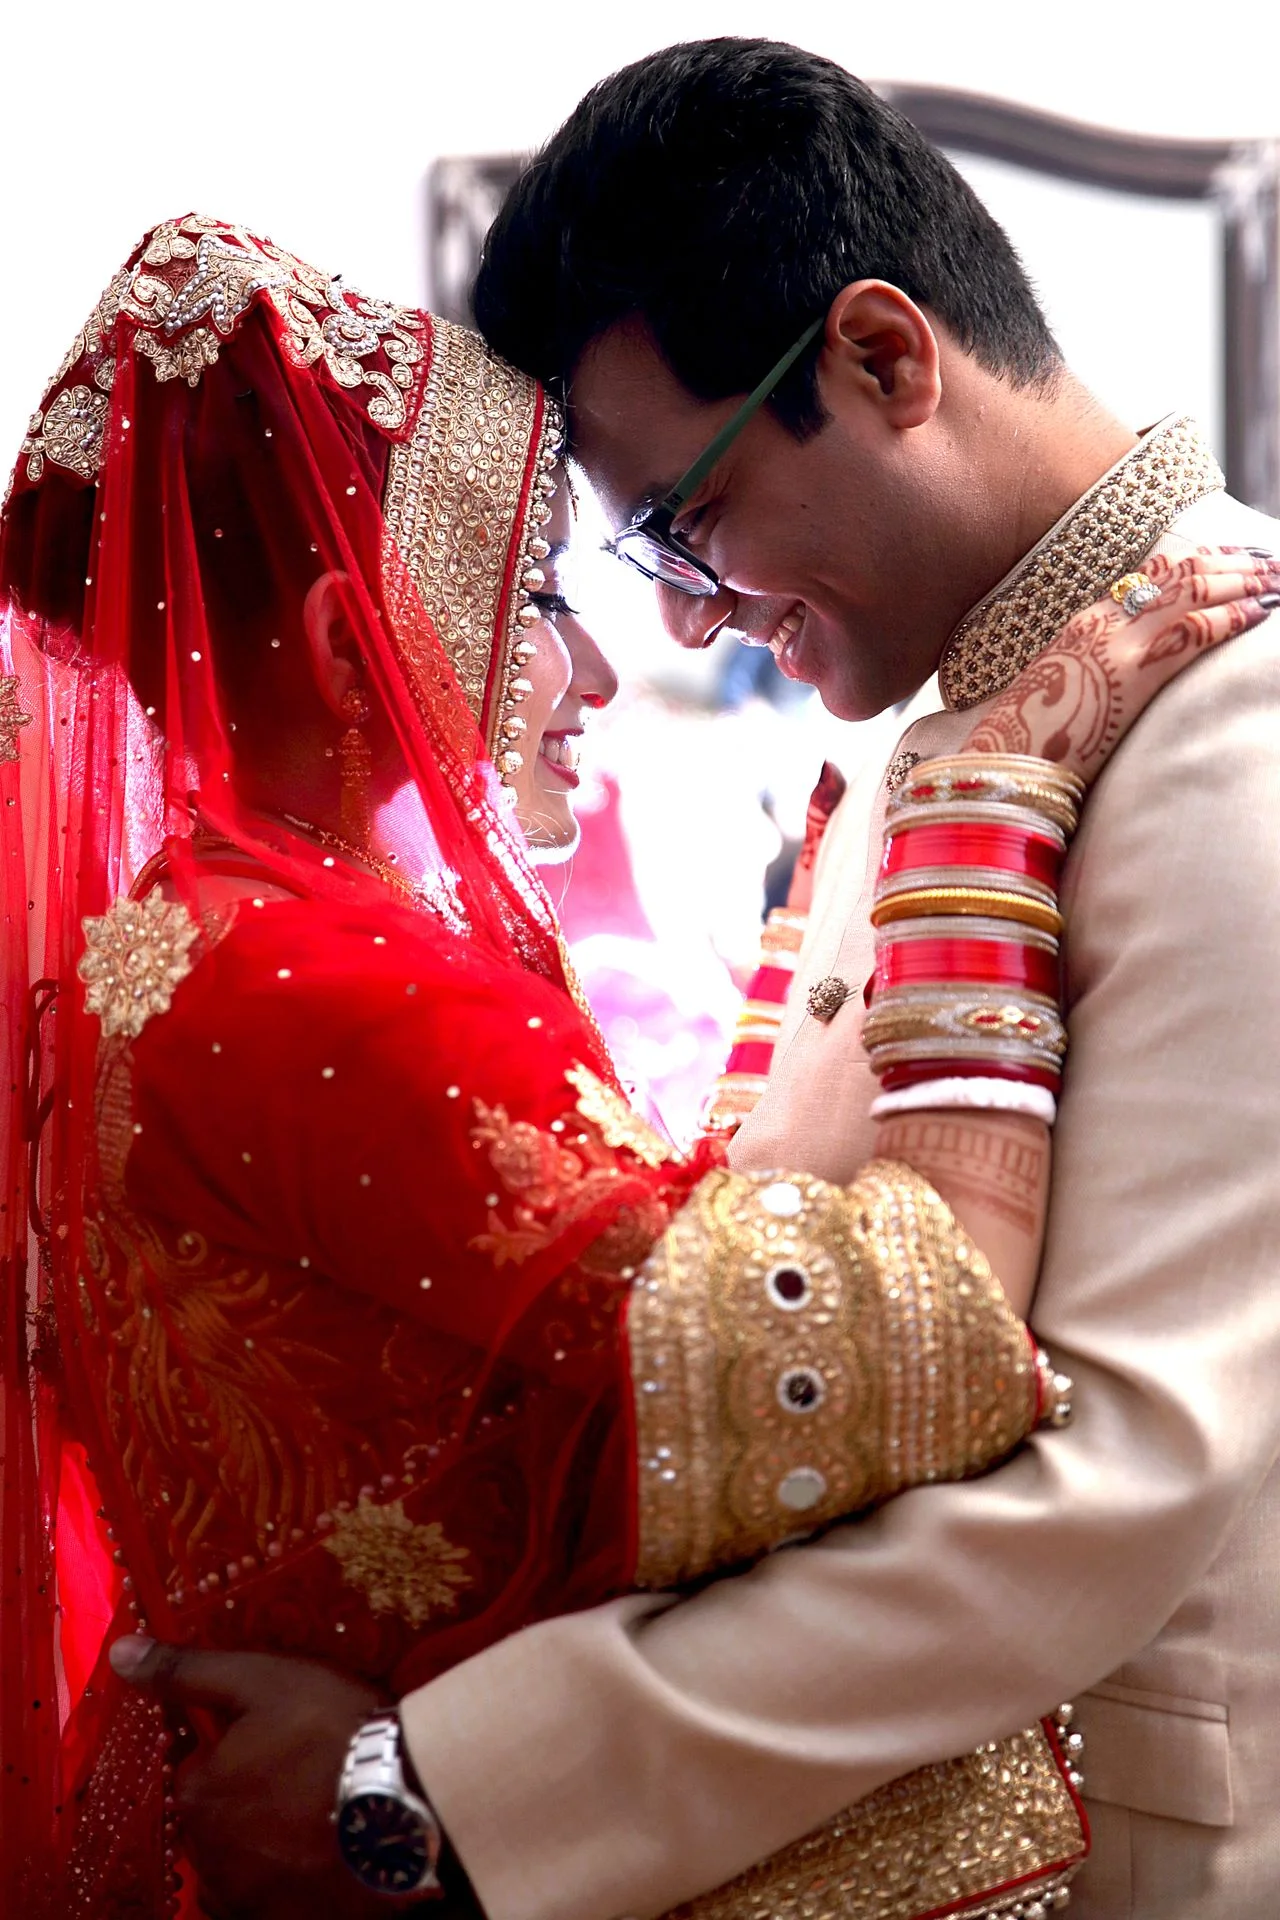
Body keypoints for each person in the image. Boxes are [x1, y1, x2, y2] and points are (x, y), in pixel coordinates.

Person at [0, 213, 1265, 1920]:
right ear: (342, 643)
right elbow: (911, 1348)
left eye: (684, 526)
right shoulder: (330, 976)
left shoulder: (201, 942)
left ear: (889, 360)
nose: (626, 655)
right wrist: (969, 847)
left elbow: (1123, 1442)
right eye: (538, 594)